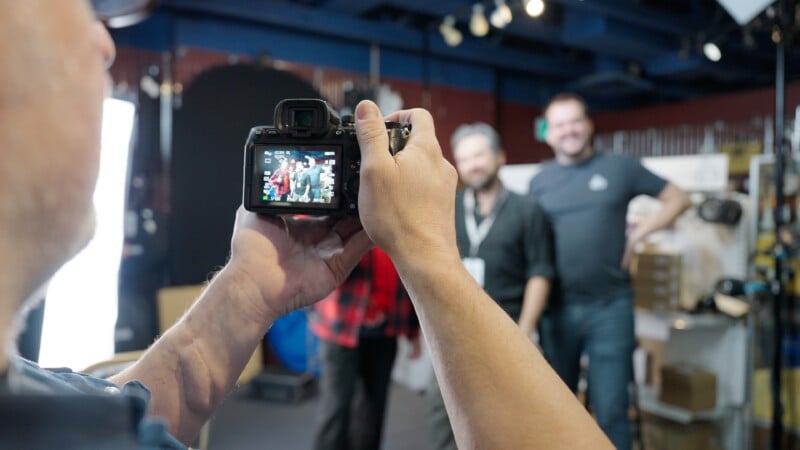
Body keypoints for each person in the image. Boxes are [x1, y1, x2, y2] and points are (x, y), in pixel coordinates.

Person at [0, 3, 612, 448]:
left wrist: (246, 290)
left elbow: (146, 411)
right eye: (78, 4)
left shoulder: (36, 408)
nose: (105, 41)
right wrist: (429, 256)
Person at [529, 92, 691, 449]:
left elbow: (679, 198)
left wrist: (642, 233)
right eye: (559, 124)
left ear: (588, 124)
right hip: (557, 310)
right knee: (557, 407)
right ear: (547, 132)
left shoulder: (621, 168)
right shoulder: (539, 183)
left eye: (574, 121)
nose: (568, 130)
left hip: (610, 307)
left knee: (612, 410)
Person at [427, 122, 554, 450]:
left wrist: (525, 331)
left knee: (504, 424)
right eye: (465, 158)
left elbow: (539, 273)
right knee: (444, 417)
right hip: (452, 332)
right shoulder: (448, 208)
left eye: (479, 155)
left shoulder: (528, 210)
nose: (472, 165)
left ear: (500, 157)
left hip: (507, 330)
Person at [310, 246, 420, 450]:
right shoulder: (347, 218)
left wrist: (414, 333)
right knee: (336, 407)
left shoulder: (397, 222)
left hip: (385, 328)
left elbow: (410, 276)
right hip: (342, 323)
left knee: (373, 409)